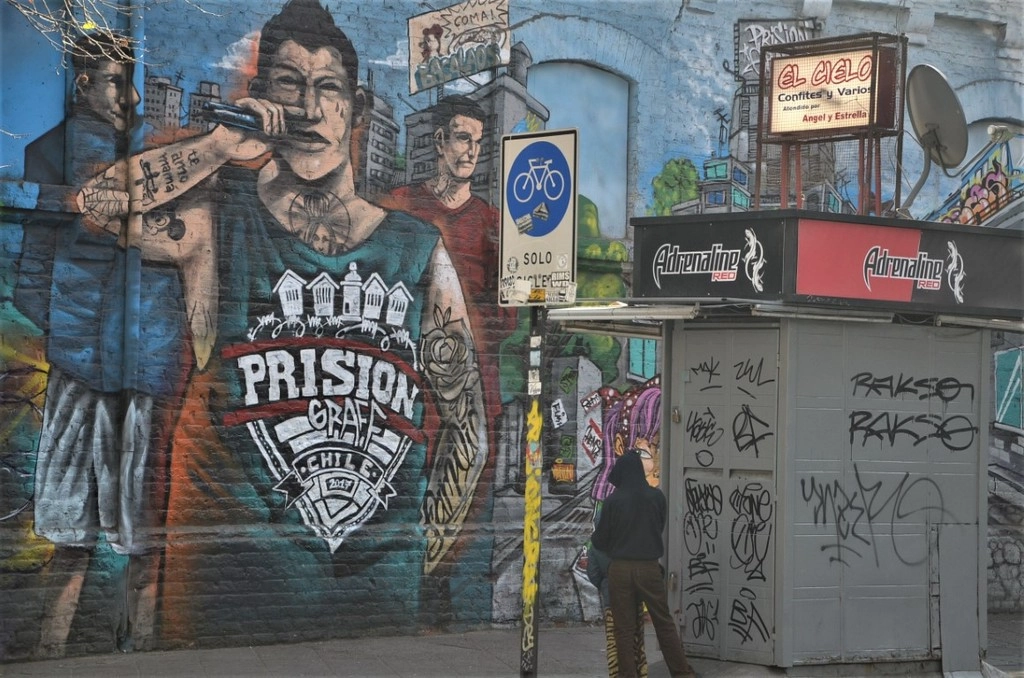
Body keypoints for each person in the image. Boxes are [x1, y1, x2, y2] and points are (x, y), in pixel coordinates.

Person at [77, 0, 488, 639]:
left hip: (379, 606)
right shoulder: (218, 219)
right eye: (289, 85)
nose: (309, 109)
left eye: (328, 89)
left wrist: (414, 557)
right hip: (220, 608)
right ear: (262, 100)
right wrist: (219, 145)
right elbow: (97, 203)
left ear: (355, 107)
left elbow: (469, 428)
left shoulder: (416, 248)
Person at [17, 29, 187, 656]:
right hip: (85, 370)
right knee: (74, 536)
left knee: (139, 537)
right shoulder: (54, 154)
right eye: (118, 81)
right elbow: (33, 271)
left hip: (138, 370)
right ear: (83, 84)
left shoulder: (160, 156)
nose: (132, 97)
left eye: (135, 82)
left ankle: (134, 651)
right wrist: (70, 329)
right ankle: (53, 652)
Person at [591, 451, 696, 678]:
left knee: (624, 629)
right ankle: (682, 673)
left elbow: (599, 540)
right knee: (663, 623)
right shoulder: (656, 497)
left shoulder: (612, 502)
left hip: (620, 569)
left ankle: (628, 675)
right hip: (649, 568)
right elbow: (658, 526)